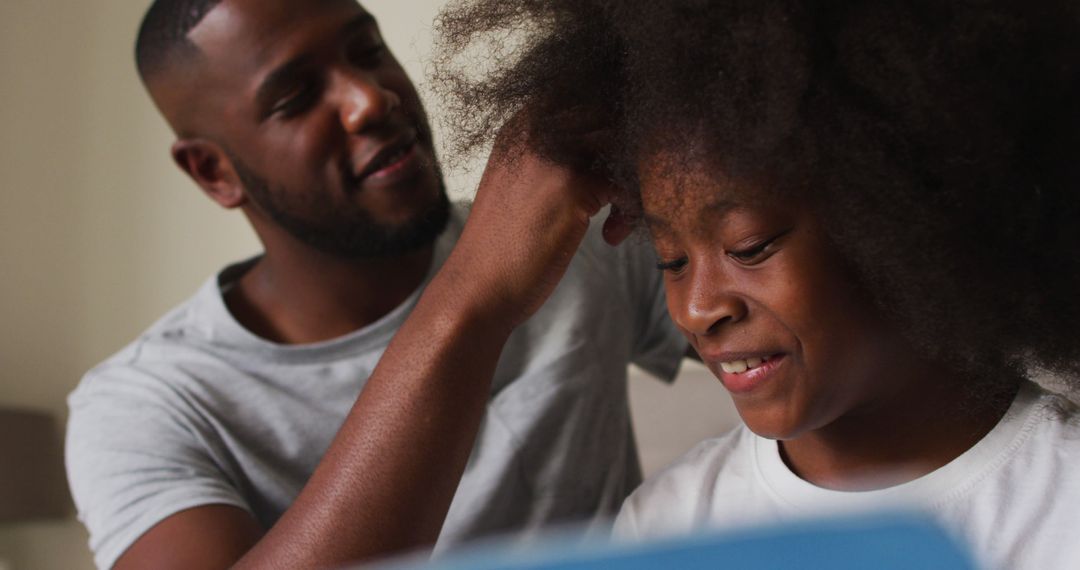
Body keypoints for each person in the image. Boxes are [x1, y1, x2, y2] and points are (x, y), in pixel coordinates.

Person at [434, 0, 1080, 568]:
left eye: (749, 246)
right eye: (670, 260)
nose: (696, 309)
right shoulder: (668, 526)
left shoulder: (1061, 497)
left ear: (906, 221)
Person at [64, 0, 688, 568]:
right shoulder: (144, 404)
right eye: (297, 96)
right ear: (213, 169)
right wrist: (474, 295)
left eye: (367, 52)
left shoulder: (574, 234)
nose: (369, 98)